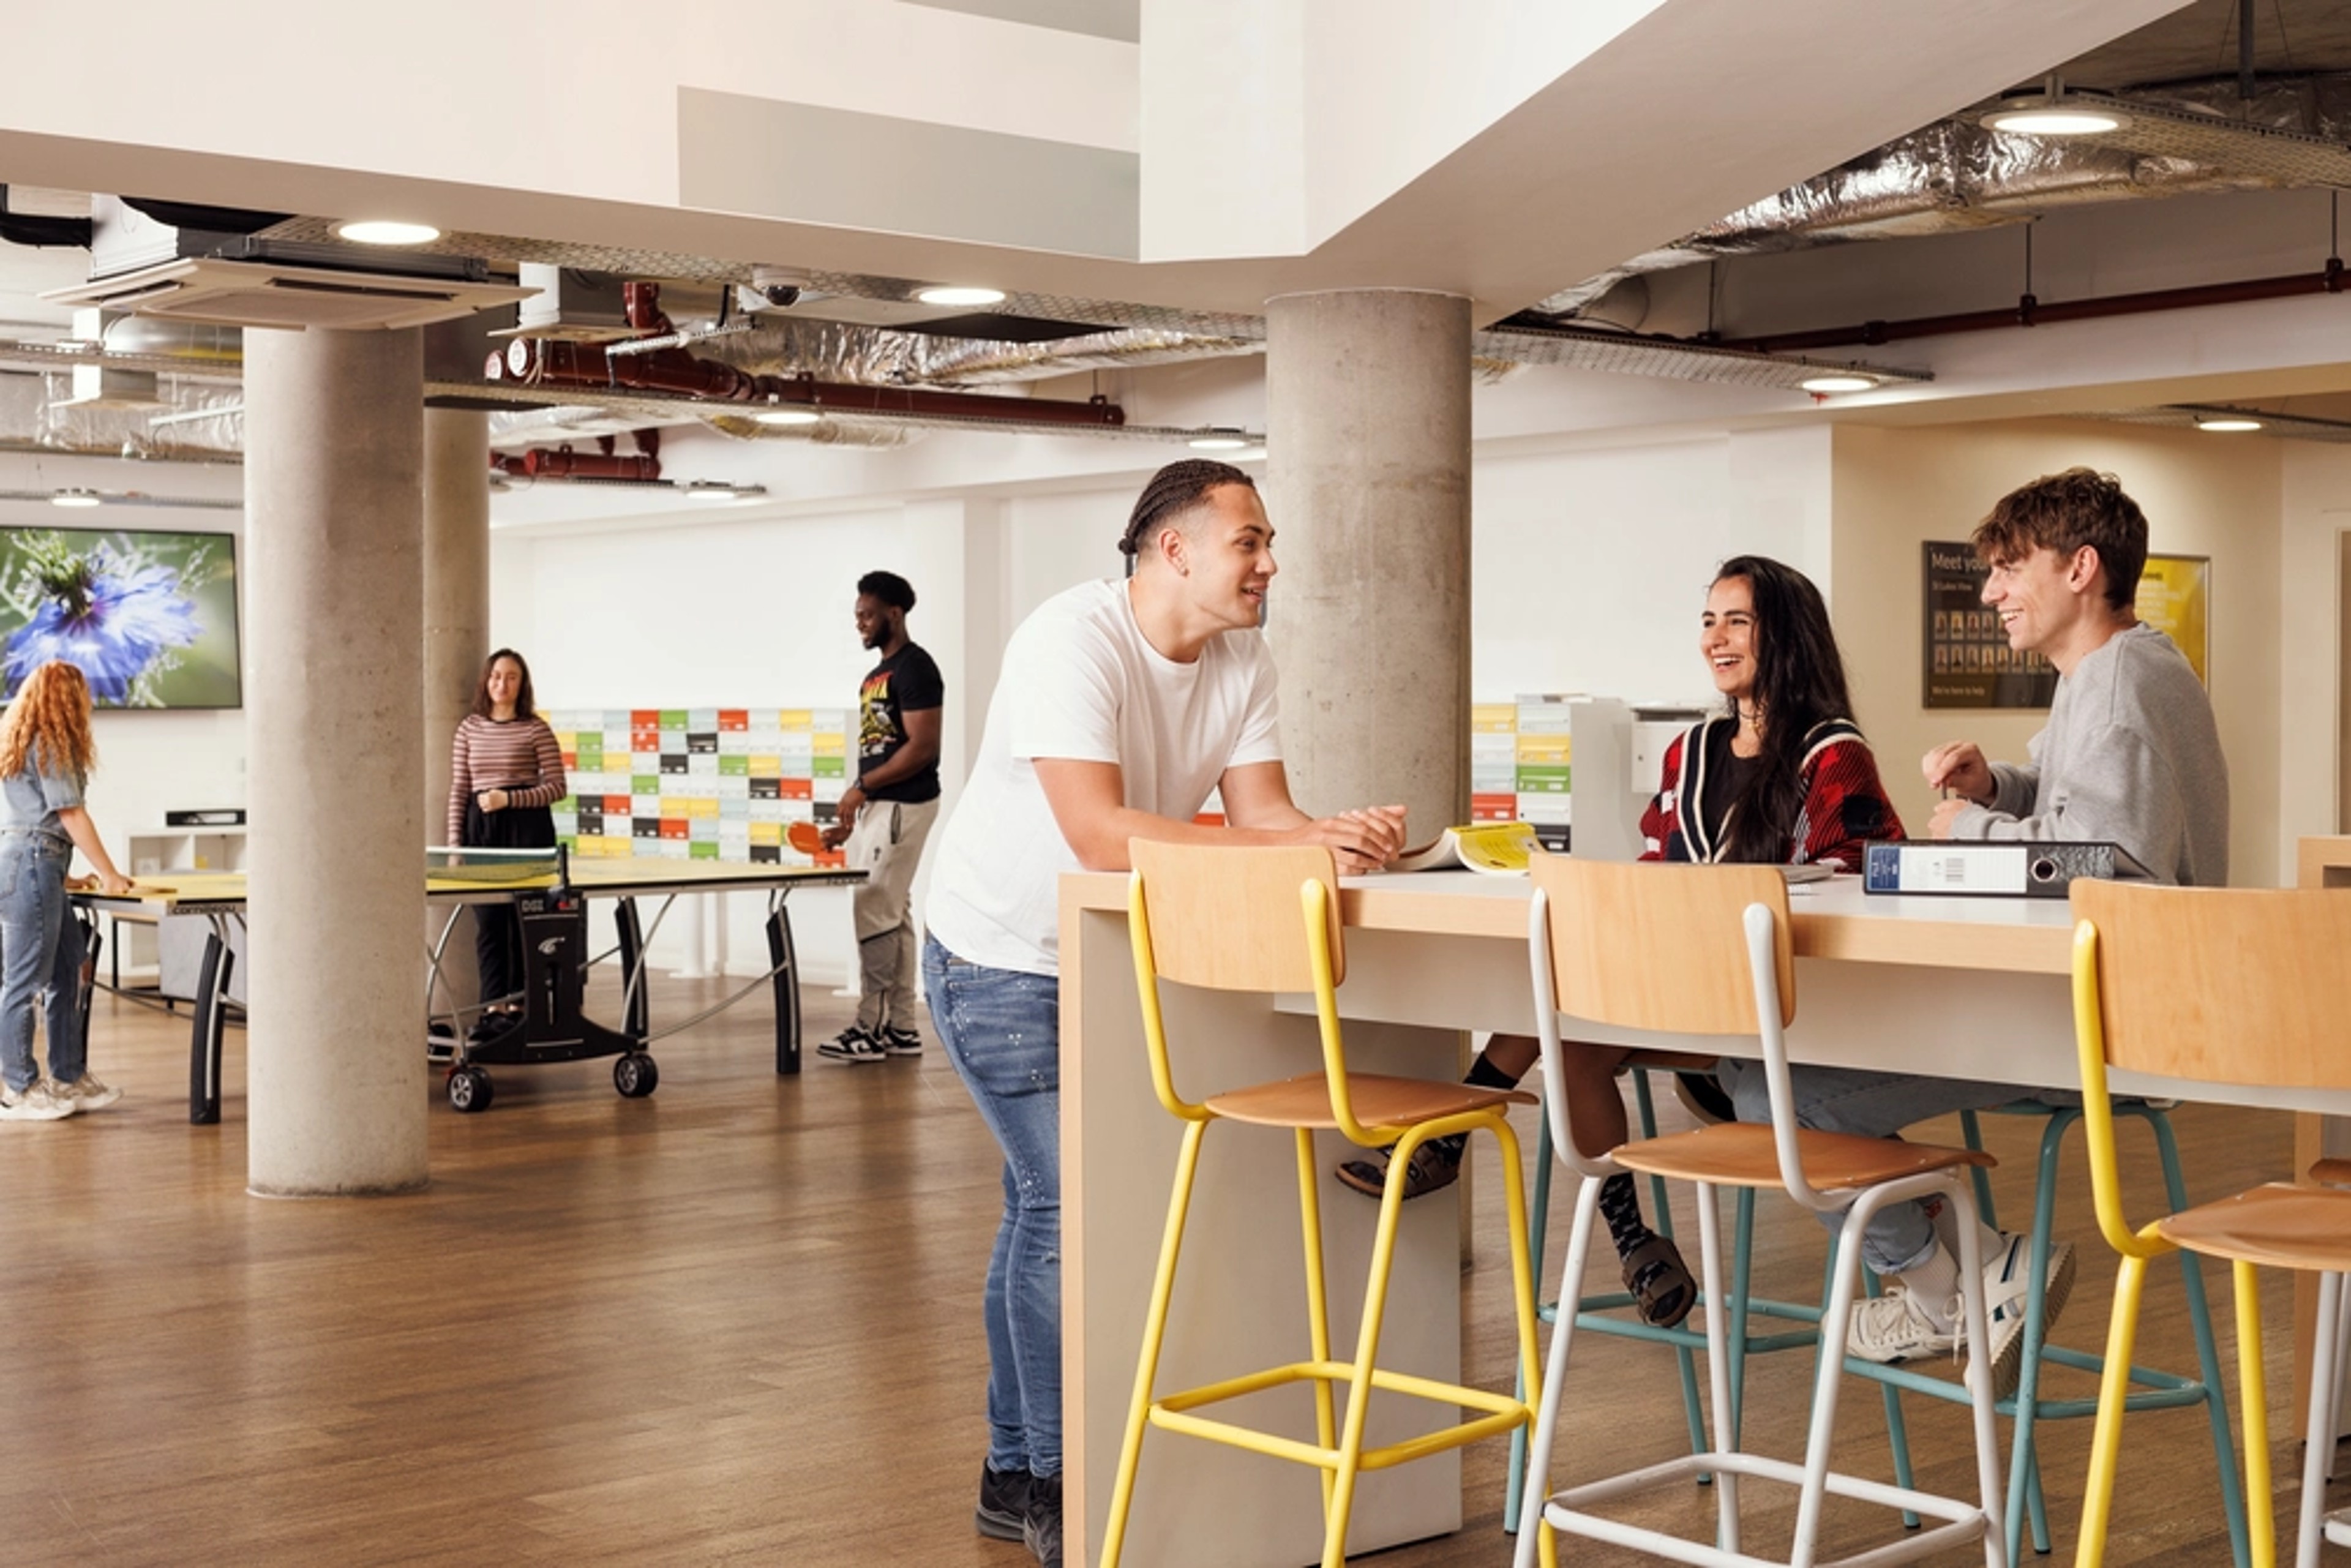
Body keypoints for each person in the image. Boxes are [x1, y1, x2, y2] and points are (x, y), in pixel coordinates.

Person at [921, 459, 1409, 1568]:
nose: (1270, 562)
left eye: (1268, 542)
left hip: (1105, 955)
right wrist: (1291, 845)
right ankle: (1062, 1485)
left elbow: (1265, 815)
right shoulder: (1070, 639)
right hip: (1000, 957)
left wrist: (1334, 835)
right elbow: (1100, 835)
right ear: (1174, 549)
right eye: (1251, 541)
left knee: (1039, 1204)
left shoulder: (1244, 657)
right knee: (1066, 1207)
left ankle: (1011, 1472)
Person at [1725, 467, 2227, 1396]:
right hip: (2078, 1003)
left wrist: (1974, 828)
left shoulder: (2117, 684)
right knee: (1759, 1074)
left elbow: (2107, 862)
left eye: (2008, 568)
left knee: (1772, 1085)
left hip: (2105, 1026)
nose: (1991, 591)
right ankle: (1987, 1273)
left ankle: (1941, 1291)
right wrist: (1998, 786)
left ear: (2080, 569)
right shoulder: (2116, 670)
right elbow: (2085, 805)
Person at [1338, 556, 1903, 1335]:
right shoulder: (1690, 751)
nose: (1716, 639)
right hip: (1680, 989)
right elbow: (1660, 865)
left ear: (1787, 635)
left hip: (1776, 1007)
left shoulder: (1833, 754)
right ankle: (1634, 1240)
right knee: (1569, 1017)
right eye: (1708, 621)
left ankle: (1458, 1131)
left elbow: (1865, 874)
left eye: (1738, 621)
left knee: (1567, 1003)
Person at [817, 571, 945, 1064]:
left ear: (894, 613)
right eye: (857, 615)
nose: (860, 623)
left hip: (904, 803)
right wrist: (855, 814)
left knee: (873, 904)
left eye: (867, 615)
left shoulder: (916, 667)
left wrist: (864, 788)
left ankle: (868, 1026)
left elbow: (923, 747)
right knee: (894, 911)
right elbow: (880, 748)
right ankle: (902, 1028)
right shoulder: (877, 676)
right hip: (881, 807)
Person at [0, 660, 134, 1120]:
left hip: (39, 863)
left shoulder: (26, 738)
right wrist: (109, 873)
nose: (89, 702)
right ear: (68, 698)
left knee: (70, 968)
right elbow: (70, 814)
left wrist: (66, 875)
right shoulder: (50, 741)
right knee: (24, 981)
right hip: (33, 862)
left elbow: (41, 820)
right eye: (84, 693)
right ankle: (17, 1088)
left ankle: (68, 1075)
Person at [446, 648, 566, 1038]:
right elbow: (459, 789)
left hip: (526, 830)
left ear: (522, 684)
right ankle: (492, 1008)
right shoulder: (469, 728)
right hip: (482, 828)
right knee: (489, 923)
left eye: (512, 677)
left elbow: (557, 788)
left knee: (522, 922)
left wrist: (509, 799)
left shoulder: (536, 729)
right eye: (496, 676)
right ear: (487, 681)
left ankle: (519, 1007)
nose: (503, 684)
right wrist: (455, 845)